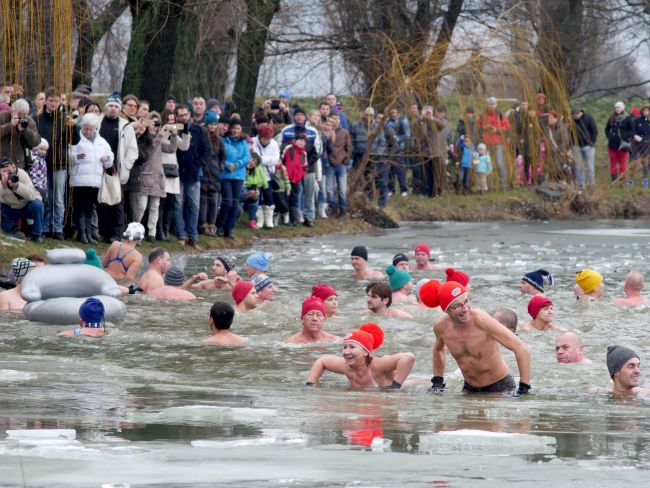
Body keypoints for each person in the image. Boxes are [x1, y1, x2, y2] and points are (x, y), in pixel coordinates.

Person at [421, 280, 531, 394]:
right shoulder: (441, 327)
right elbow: (438, 350)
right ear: (447, 309)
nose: (465, 308)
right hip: (469, 388)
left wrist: (524, 387)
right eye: (457, 305)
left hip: (499, 386)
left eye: (466, 301)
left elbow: (522, 348)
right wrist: (437, 381)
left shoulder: (481, 320)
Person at [306, 323, 415, 388]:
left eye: (352, 347)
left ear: (366, 352)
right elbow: (322, 361)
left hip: (407, 386)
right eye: (345, 347)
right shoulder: (345, 366)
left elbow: (408, 357)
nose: (346, 352)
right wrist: (310, 386)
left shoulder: (378, 365)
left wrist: (394, 388)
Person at [70, 113, 114, 243]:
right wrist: (76, 157)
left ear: (96, 129)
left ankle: (88, 234)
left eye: (91, 129)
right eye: (86, 129)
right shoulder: (76, 138)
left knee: (90, 208)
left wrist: (107, 159)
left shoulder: (101, 141)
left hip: (95, 181)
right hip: (79, 180)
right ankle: (81, 233)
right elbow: (68, 155)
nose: (88, 132)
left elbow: (110, 157)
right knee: (80, 207)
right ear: (82, 127)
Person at [216, 118, 250, 239]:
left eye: (238, 129)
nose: (235, 131)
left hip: (239, 175)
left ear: (241, 130)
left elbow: (247, 157)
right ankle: (219, 226)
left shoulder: (243, 143)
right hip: (226, 175)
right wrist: (227, 165)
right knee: (227, 201)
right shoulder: (224, 141)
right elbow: (221, 156)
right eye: (234, 128)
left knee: (235, 203)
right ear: (230, 129)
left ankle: (229, 229)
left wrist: (237, 164)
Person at [0, 157, 44, 242]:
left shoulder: (22, 174)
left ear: (14, 168)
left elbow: (32, 195)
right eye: (4, 171)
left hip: (26, 206)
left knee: (37, 204)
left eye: (8, 171)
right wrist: (3, 185)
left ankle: (37, 235)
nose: (7, 174)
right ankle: (14, 231)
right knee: (2, 210)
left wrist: (17, 186)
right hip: (10, 208)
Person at [478, 97, 510, 190]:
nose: (492, 106)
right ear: (487, 105)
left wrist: (497, 130)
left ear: (496, 105)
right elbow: (478, 127)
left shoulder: (500, 114)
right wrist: (484, 128)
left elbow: (507, 127)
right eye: (490, 104)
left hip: (498, 142)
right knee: (487, 164)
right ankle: (487, 185)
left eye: (493, 104)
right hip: (486, 143)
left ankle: (503, 184)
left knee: (500, 163)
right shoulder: (482, 115)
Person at [604, 101, 635, 183]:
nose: (617, 109)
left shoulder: (628, 118)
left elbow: (632, 131)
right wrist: (609, 137)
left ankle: (621, 179)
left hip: (623, 144)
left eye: (619, 107)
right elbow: (606, 129)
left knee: (622, 162)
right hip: (612, 144)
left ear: (622, 108)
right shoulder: (611, 118)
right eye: (616, 107)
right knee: (613, 162)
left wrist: (624, 135)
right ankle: (614, 179)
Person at [571, 107, 598, 189]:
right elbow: (570, 133)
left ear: (578, 113)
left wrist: (592, 142)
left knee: (590, 166)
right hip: (577, 146)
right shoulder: (573, 121)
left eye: (574, 116)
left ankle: (591, 184)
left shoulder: (589, 118)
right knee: (578, 166)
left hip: (588, 146)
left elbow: (594, 131)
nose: (573, 117)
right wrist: (572, 143)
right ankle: (581, 184)